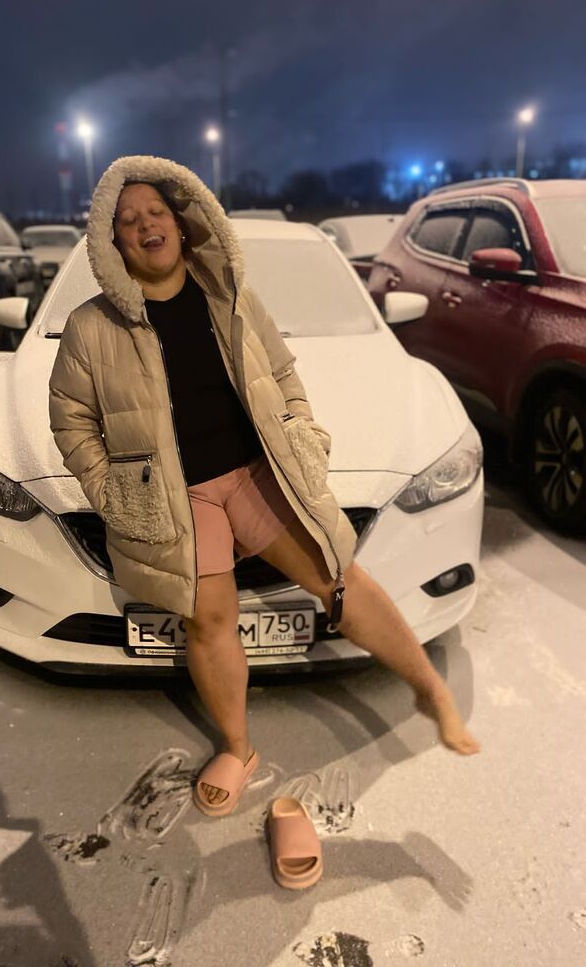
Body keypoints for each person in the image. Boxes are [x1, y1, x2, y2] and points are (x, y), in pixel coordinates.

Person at [48, 155, 480, 815]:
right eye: (127, 220)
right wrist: (111, 491)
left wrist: (302, 433)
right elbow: (71, 419)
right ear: (112, 243)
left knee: (339, 576)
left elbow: (282, 373)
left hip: (256, 475)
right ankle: (237, 748)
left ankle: (430, 690)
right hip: (178, 498)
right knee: (209, 621)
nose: (145, 225)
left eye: (156, 211)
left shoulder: (231, 298)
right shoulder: (89, 327)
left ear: (183, 223)